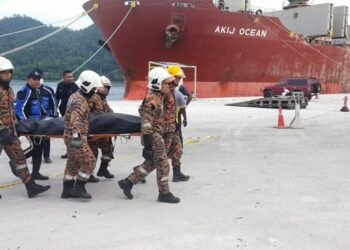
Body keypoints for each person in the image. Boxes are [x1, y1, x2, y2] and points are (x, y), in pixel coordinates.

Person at [118, 67, 180, 203]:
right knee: (164, 164)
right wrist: (147, 144)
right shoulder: (153, 100)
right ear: (157, 84)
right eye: (165, 83)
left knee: (152, 163)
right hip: (153, 135)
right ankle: (164, 193)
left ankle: (128, 182)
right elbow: (146, 123)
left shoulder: (159, 95)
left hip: (159, 132)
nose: (168, 86)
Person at [0, 56, 50, 197]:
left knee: (20, 158)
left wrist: (17, 125)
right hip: (1, 132)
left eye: (9, 72)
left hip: (10, 133)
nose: (7, 75)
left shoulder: (9, 90)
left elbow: (11, 111)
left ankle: (30, 186)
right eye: (4, 72)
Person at [61, 70, 103, 199]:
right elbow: (76, 121)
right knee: (89, 161)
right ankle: (79, 187)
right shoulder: (80, 101)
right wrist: (77, 139)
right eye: (94, 88)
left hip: (70, 135)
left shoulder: (76, 95)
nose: (95, 91)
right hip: (75, 137)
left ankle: (67, 190)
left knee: (73, 163)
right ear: (87, 86)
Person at [15, 70, 58, 181]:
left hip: (42, 125)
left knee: (39, 147)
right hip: (30, 125)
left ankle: (35, 173)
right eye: (34, 79)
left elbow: (52, 106)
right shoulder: (24, 92)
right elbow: (19, 110)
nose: (36, 81)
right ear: (28, 79)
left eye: (38, 79)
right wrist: (26, 124)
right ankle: (15, 162)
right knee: (35, 147)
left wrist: (52, 119)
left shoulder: (44, 90)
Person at [88, 76, 115, 182]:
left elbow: (110, 112)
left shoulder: (103, 100)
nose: (107, 89)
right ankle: (88, 174)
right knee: (92, 153)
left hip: (103, 131)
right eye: (105, 87)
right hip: (93, 132)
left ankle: (103, 169)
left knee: (108, 148)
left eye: (108, 87)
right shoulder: (93, 98)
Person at [55, 70, 79, 159]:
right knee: (66, 134)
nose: (71, 78)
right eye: (68, 77)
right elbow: (56, 98)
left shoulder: (75, 87)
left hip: (74, 114)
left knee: (76, 133)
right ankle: (68, 151)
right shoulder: (60, 85)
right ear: (64, 77)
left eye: (72, 76)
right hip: (63, 112)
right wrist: (54, 110)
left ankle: (77, 151)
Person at [167, 65, 192, 147]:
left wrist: (184, 106)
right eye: (179, 78)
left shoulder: (177, 92)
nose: (180, 80)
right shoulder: (177, 92)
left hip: (174, 118)